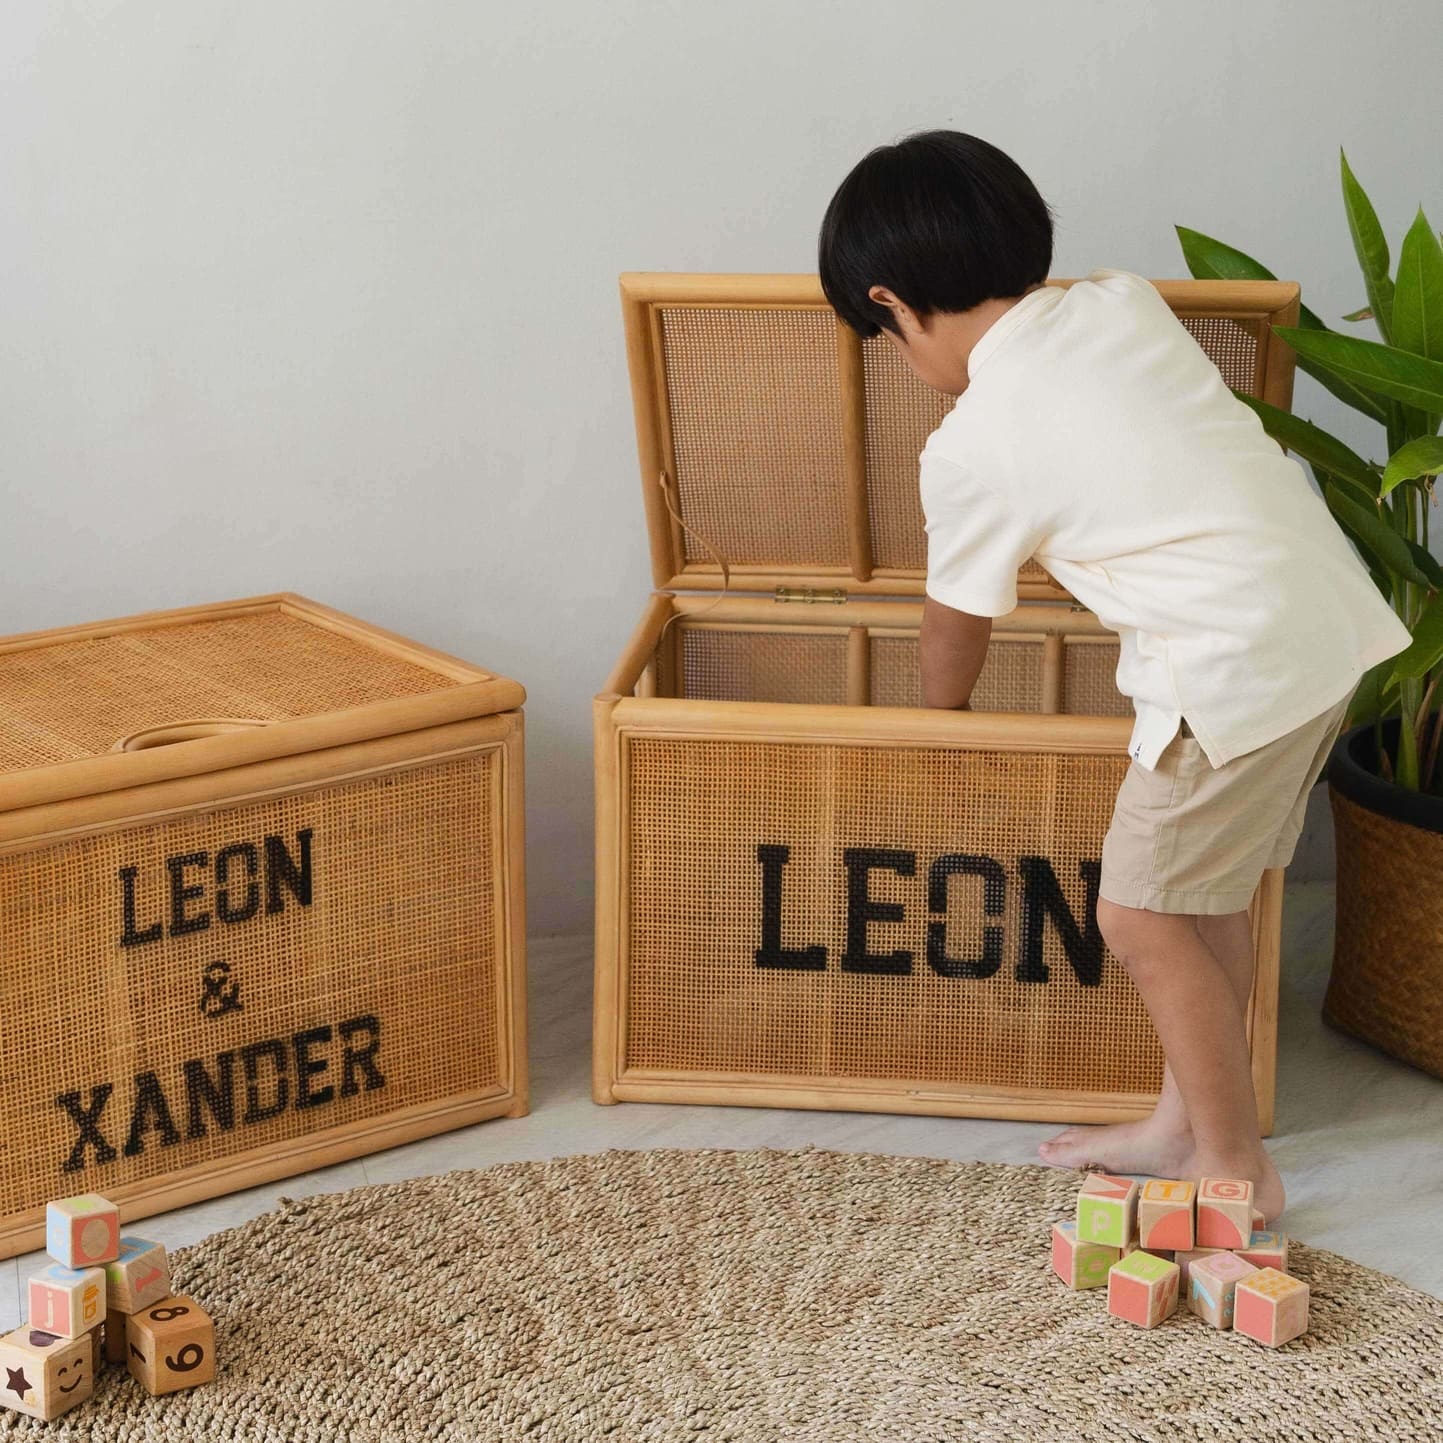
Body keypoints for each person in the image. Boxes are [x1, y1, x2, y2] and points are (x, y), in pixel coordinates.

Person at [818, 130, 1411, 1221]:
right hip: (1321, 635)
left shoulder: (973, 442)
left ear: (892, 302)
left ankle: (1233, 1165)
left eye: (885, 338)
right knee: (1205, 899)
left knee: (1139, 916)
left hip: (1226, 668)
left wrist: (931, 723)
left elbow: (953, 622)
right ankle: (1184, 1119)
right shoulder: (1121, 303)